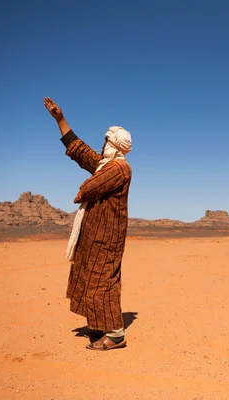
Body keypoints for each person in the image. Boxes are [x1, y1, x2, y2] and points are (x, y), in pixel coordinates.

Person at [44, 97, 132, 350]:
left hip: (106, 240)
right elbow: (79, 151)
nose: (102, 143)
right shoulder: (105, 166)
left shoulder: (119, 169)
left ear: (114, 144)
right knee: (91, 277)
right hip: (95, 237)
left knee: (103, 281)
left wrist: (82, 191)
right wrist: (60, 119)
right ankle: (102, 323)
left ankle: (115, 334)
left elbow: (90, 187)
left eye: (106, 140)